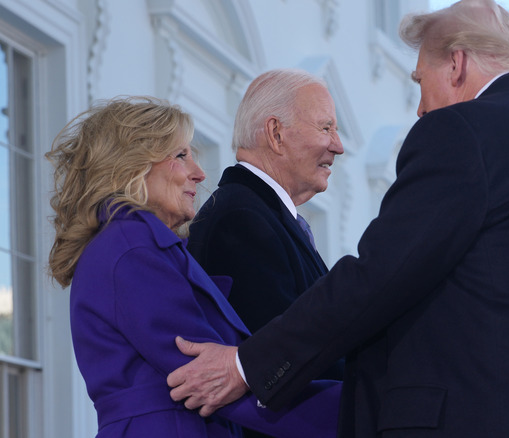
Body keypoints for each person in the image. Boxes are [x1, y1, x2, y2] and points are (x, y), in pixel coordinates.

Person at [168, 1, 509, 437]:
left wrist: (246, 366)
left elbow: (381, 275)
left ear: (457, 63)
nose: (422, 109)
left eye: (419, 82)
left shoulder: (466, 130)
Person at [46, 96, 339, 438]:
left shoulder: (139, 247)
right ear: (132, 164)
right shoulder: (132, 247)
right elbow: (210, 377)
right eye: (181, 155)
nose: (199, 174)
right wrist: (360, 409)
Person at [187, 67, 346, 438]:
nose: (338, 146)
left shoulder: (259, 214)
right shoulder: (241, 219)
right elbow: (277, 363)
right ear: (276, 133)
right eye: (326, 127)